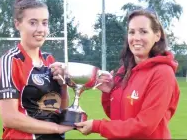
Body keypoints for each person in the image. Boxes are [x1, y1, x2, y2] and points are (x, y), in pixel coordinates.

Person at [74, 8, 180, 139]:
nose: (136, 38)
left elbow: (144, 126)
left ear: (157, 35)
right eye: (132, 32)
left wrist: (98, 126)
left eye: (143, 32)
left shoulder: (163, 73)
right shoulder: (124, 70)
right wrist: (109, 92)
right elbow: (116, 117)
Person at [0, 0, 73, 139]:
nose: (41, 29)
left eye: (45, 23)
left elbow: (60, 109)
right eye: (33, 23)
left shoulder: (49, 60)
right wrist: (56, 128)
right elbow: (9, 117)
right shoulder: (10, 61)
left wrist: (63, 85)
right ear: (17, 24)